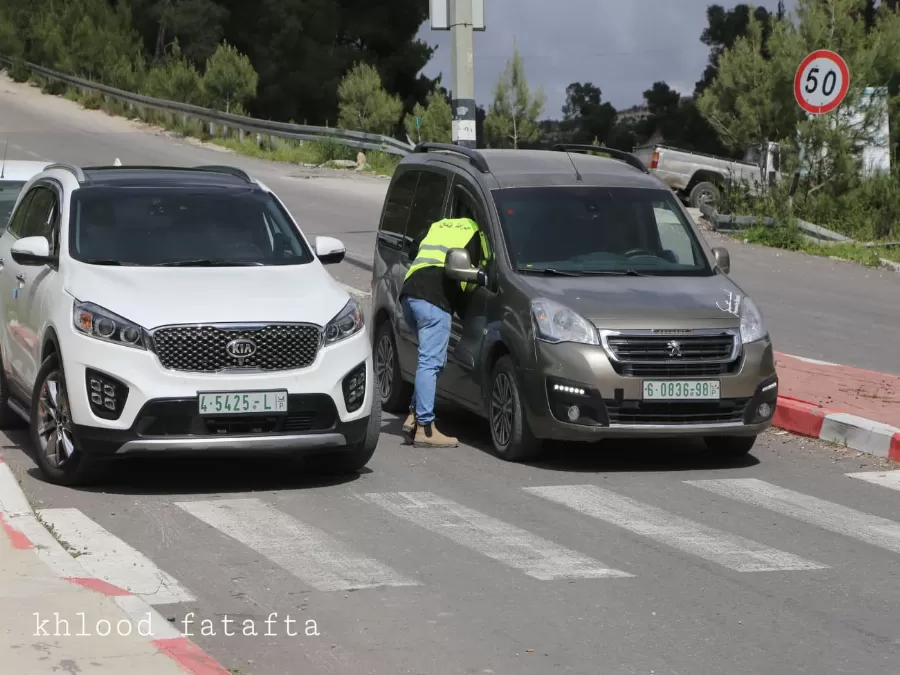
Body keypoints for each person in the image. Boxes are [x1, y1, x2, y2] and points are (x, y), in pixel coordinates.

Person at [399, 215, 490, 448]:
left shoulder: (439, 224)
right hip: (433, 300)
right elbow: (479, 275)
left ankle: (414, 417)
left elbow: (413, 249)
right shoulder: (477, 233)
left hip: (409, 294)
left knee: (432, 361)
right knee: (431, 362)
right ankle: (425, 429)